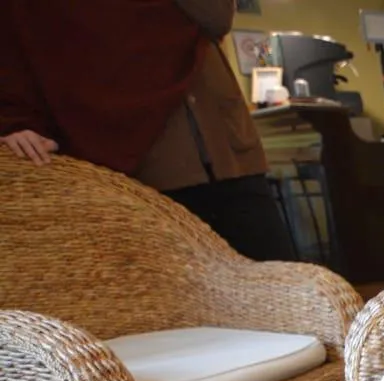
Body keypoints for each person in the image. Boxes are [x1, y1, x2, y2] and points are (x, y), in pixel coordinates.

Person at [0, 0, 296, 261]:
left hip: (224, 147)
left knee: (279, 283)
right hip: (139, 159)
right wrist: (16, 119)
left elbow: (217, 16)